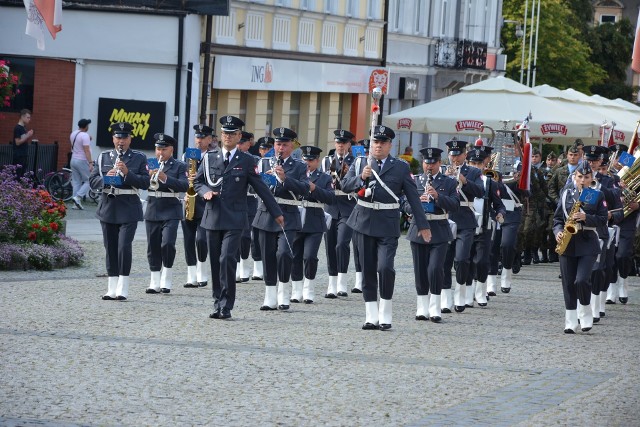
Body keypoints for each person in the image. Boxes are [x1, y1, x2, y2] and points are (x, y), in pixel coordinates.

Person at [341, 125, 431, 330]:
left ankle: (386, 312)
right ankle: (371, 315)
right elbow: (345, 186)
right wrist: (361, 177)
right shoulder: (360, 162)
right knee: (368, 269)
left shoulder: (400, 167)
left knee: (385, 267)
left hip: (388, 223)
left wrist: (422, 225)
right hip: (363, 221)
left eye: (382, 142)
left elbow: (413, 199)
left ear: (390, 145)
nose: (378, 146)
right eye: (375, 142)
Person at [194, 116, 283, 320]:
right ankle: (217, 302)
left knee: (227, 259)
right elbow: (198, 182)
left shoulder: (246, 160)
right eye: (225, 133)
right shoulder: (209, 157)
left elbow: (261, 188)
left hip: (235, 218)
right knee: (216, 263)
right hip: (212, 217)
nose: (228, 137)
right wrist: (205, 191)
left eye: (232, 134)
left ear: (239, 136)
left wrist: (276, 212)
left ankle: (226, 305)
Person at [89, 122, 150, 301]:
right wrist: (106, 180)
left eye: (124, 137)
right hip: (108, 206)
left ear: (130, 139)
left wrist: (127, 173)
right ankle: (111, 287)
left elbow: (145, 182)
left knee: (124, 246)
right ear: (113, 138)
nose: (120, 141)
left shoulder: (139, 158)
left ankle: (123, 287)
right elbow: (92, 181)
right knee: (110, 247)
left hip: (129, 206)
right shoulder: (104, 157)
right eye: (117, 137)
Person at [253, 127, 309, 311]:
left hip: (288, 214)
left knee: (284, 253)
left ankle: (284, 292)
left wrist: (284, 179)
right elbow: (253, 188)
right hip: (266, 213)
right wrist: (263, 182)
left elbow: (304, 189)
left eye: (284, 145)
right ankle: (270, 295)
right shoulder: (263, 163)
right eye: (278, 144)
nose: (280, 148)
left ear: (291, 146)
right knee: (267, 255)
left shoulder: (300, 166)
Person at [405, 147, 458, 323]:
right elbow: (403, 203)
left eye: (433, 162)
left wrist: (437, 197)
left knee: (435, 268)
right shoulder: (414, 181)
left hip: (439, 229)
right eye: (427, 162)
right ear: (423, 163)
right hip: (418, 228)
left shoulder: (448, 182)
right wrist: (415, 204)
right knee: (420, 270)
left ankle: (435, 307)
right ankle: (422, 306)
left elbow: (455, 204)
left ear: (439, 163)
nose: (429, 166)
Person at [553, 163, 607, 333]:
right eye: (580, 177)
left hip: (587, 242)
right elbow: (557, 219)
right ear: (574, 177)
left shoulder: (596, 194)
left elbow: (603, 219)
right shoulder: (566, 193)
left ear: (591, 178)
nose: (582, 180)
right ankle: (570, 321)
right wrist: (558, 232)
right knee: (568, 283)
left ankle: (585, 312)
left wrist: (586, 217)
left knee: (581, 280)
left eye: (586, 177)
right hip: (567, 243)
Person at [440, 139, 484, 313]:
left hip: (465, 220)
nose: (455, 158)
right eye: (452, 155)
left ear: (465, 155)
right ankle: (445, 298)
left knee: (461, 259)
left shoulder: (473, 171)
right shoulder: (442, 171)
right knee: (445, 261)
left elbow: (481, 192)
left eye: (458, 155)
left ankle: (460, 294)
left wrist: (464, 181)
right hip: (446, 219)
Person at [144, 133, 189, 294]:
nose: (160, 153)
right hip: (153, 207)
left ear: (171, 149)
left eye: (164, 149)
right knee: (153, 245)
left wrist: (165, 178)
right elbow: (139, 181)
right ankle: (154, 280)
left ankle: (167, 277)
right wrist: (145, 177)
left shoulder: (179, 166)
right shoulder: (149, 164)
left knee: (168, 243)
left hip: (171, 208)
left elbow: (185, 186)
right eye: (158, 149)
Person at [290, 146, 335, 304]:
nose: (307, 162)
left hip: (315, 220)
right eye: (305, 159)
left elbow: (330, 198)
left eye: (311, 160)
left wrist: (315, 188)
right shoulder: (296, 175)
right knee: (295, 256)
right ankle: (296, 289)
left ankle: (308, 289)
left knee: (309, 256)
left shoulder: (324, 178)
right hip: (296, 218)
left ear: (317, 161)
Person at [320, 129, 360, 298]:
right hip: (330, 206)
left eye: (344, 142)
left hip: (348, 206)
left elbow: (358, 183)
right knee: (330, 245)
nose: (341, 145)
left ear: (349, 144)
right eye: (338, 142)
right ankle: (332, 282)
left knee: (342, 243)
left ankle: (342, 281)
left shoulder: (356, 162)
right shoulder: (327, 161)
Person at [182, 124, 214, 289]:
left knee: (201, 239)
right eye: (197, 137)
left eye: (202, 138)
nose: (199, 140)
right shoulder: (187, 156)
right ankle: (191, 274)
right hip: (189, 200)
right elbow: (182, 176)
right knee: (188, 240)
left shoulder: (214, 156)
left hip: (205, 203)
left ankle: (202, 271)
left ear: (209, 140)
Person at [235, 130, 262, 282]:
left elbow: (256, 183)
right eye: (237, 143)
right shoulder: (230, 158)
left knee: (246, 236)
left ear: (248, 144)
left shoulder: (255, 160)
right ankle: (236, 265)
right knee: (234, 235)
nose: (239, 146)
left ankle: (244, 265)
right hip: (234, 201)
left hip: (249, 200)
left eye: (242, 143)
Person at [70, 118, 94, 210]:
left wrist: (88, 137)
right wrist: (90, 163)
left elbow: (79, 143)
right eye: (88, 125)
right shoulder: (85, 136)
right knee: (90, 180)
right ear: (86, 126)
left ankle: (75, 203)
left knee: (76, 181)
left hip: (73, 159)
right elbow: (86, 150)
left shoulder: (74, 133)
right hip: (82, 160)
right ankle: (78, 197)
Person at [12, 109, 33, 178]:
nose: (29, 119)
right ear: (22, 117)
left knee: (22, 175)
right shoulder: (18, 128)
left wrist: (27, 134)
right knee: (17, 175)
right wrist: (27, 135)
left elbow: (22, 138)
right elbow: (17, 142)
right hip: (19, 155)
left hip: (24, 154)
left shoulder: (23, 127)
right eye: (28, 117)